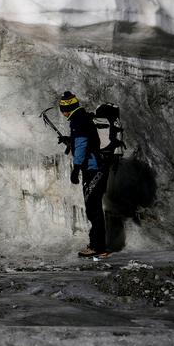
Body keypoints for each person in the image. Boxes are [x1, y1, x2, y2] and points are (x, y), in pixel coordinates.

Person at [58, 91, 110, 258]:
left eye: (63, 110)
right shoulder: (82, 117)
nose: (63, 113)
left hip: (93, 169)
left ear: (66, 109)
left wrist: (76, 168)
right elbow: (85, 140)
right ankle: (97, 245)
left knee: (93, 208)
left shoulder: (78, 120)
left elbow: (81, 145)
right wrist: (69, 140)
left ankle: (98, 248)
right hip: (97, 167)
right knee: (94, 207)